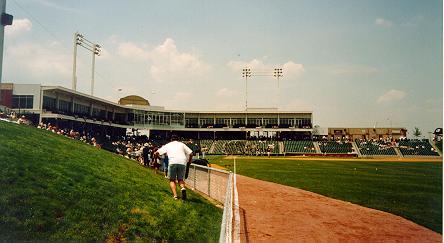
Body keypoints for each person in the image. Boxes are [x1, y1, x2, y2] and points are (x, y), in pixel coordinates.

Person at [154, 135, 193, 200]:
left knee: (172, 180)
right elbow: (191, 153)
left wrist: (155, 159)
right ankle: (183, 188)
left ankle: (175, 196)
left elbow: (157, 152)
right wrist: (189, 161)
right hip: (182, 162)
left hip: (172, 161)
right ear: (178, 139)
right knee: (180, 179)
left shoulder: (168, 145)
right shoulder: (182, 144)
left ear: (171, 139)